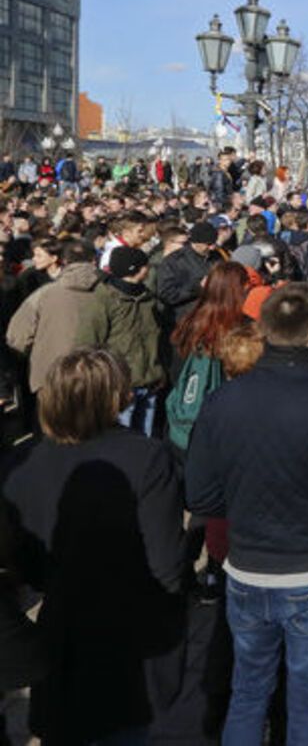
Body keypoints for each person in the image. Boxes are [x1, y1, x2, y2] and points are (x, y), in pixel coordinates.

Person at [185, 283, 308, 745]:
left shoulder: (222, 401)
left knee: (249, 691)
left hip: (249, 567)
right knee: (307, 697)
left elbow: (201, 496)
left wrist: (250, 505)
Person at [2, 349, 186, 745]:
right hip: (128, 648)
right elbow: (167, 566)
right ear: (115, 396)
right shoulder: (147, 458)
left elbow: (24, 563)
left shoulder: (22, 461)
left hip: (61, 636)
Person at [74, 246, 165, 437]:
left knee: (144, 438)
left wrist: (158, 370)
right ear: (137, 270)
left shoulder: (147, 298)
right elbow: (88, 344)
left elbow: (154, 337)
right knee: (121, 436)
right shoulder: (103, 299)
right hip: (119, 385)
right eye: (145, 266)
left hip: (149, 381)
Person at [6, 238, 100, 396]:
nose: (34, 260)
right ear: (94, 261)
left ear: (61, 259)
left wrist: (34, 353)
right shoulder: (107, 292)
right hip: (93, 372)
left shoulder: (44, 294)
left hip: (48, 372)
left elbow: (17, 336)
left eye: (39, 255)